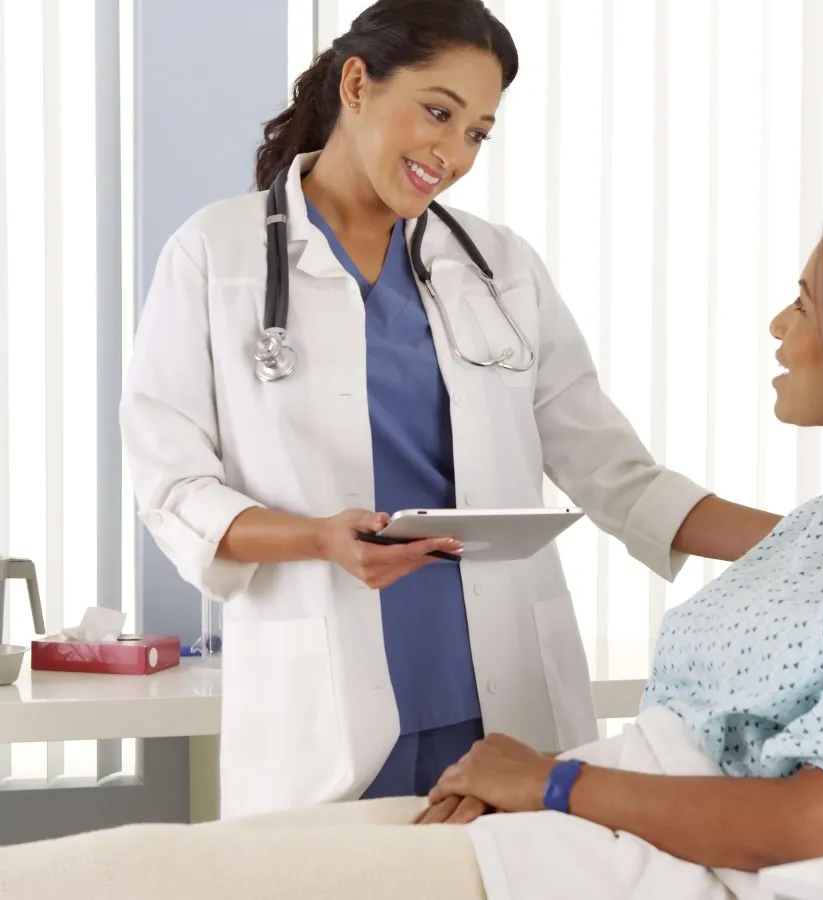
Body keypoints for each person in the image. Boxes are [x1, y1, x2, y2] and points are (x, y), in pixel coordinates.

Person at [119, 0, 778, 820]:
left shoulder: (499, 267)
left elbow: (618, 477)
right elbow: (174, 487)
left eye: (476, 132)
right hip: (325, 710)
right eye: (438, 112)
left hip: (500, 707)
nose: (452, 153)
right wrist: (318, 538)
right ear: (356, 83)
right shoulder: (216, 255)